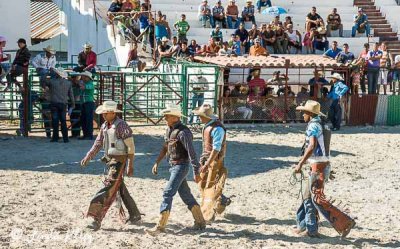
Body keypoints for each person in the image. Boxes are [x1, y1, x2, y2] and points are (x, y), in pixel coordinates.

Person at [294, 100, 355, 238]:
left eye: (304, 112)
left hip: (317, 166)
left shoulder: (313, 126)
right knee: (308, 197)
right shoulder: (324, 125)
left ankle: (342, 223)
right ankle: (305, 226)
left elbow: (312, 146)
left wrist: (300, 163)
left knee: (314, 199)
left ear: (309, 113)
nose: (302, 114)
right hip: (323, 164)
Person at [80, 100, 142, 231]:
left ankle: (96, 218)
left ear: (112, 113)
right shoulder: (105, 126)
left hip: (119, 161)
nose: (103, 115)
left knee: (109, 187)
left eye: (105, 113)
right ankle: (135, 214)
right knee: (118, 187)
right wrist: (88, 156)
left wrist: (130, 164)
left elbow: (130, 146)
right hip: (111, 160)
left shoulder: (121, 126)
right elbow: (98, 143)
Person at [146, 108, 206, 235]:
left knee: (168, 193)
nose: (165, 118)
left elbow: (191, 153)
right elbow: (165, 147)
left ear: (175, 117)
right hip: (174, 166)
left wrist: (196, 171)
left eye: (167, 116)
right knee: (185, 195)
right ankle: (200, 221)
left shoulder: (183, 132)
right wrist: (157, 162)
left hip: (181, 166)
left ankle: (160, 226)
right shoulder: (170, 130)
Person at [193, 104, 231, 222]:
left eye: (200, 115)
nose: (199, 118)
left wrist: (207, 163)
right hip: (208, 159)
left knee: (209, 185)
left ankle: (209, 213)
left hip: (214, 160)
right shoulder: (210, 127)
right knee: (204, 183)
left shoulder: (217, 129)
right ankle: (221, 200)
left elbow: (216, 148)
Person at [42, 68, 75, 143]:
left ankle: (55, 137)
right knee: (63, 121)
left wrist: (46, 74)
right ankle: (65, 138)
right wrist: (73, 104)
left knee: (55, 121)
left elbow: (43, 81)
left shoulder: (52, 82)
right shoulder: (68, 83)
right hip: (63, 103)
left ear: (57, 74)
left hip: (54, 103)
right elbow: (71, 95)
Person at [78, 71, 95, 140]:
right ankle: (86, 135)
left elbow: (83, 88)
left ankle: (89, 135)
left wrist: (80, 83)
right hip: (86, 103)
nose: (82, 78)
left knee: (88, 119)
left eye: (84, 76)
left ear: (88, 78)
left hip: (88, 103)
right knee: (84, 119)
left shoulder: (90, 84)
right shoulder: (87, 83)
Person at [69, 73, 83, 138]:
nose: (75, 79)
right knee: (73, 118)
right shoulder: (72, 85)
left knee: (76, 118)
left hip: (75, 103)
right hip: (74, 102)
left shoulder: (78, 85)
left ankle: (76, 133)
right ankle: (75, 133)